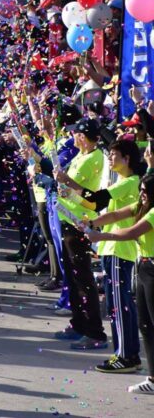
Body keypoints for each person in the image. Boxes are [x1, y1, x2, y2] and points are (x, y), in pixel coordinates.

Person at [63, 138, 143, 366]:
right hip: (111, 247)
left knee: (119, 305)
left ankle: (126, 355)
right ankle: (125, 353)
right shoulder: (124, 181)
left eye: (114, 155)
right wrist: (91, 220)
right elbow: (98, 207)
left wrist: (70, 184)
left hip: (119, 248)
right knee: (118, 305)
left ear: (127, 159)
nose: (109, 159)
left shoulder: (129, 182)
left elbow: (96, 200)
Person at [84, 173, 154, 393]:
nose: (141, 193)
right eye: (141, 189)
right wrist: (92, 223)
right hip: (143, 268)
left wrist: (101, 237)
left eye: (145, 190)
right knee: (146, 325)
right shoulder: (141, 206)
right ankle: (153, 379)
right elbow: (114, 215)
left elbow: (132, 232)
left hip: (152, 269)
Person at [52, 117, 111, 349]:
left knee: (83, 279)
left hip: (79, 223)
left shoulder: (95, 158)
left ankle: (95, 331)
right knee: (73, 277)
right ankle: (78, 324)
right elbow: (75, 191)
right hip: (68, 218)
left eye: (76, 133)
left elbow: (91, 200)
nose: (73, 136)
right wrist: (64, 187)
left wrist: (68, 185)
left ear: (83, 137)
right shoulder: (82, 155)